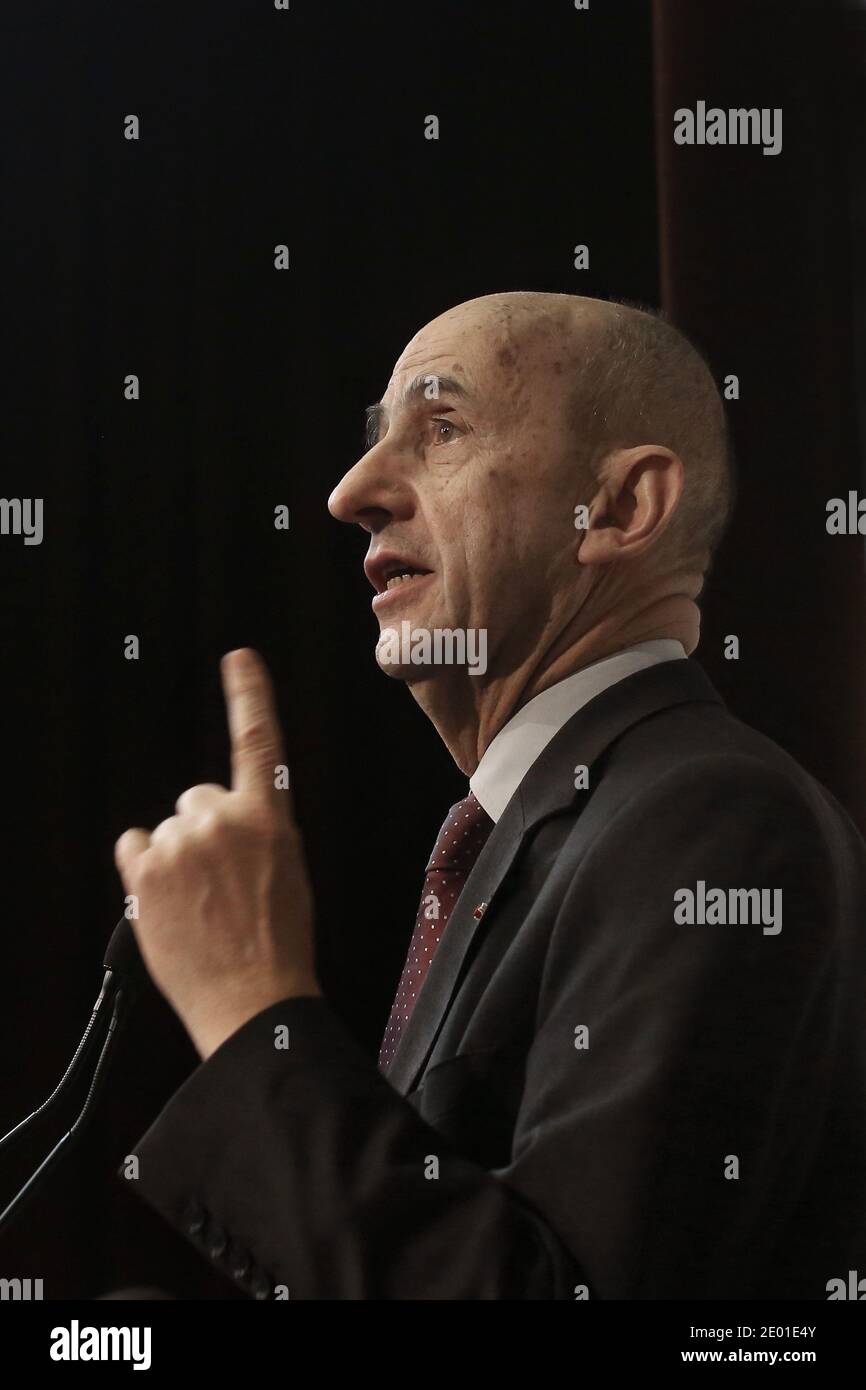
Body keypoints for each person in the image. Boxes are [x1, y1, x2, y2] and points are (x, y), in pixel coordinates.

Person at [114, 291, 866, 1299]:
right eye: (376, 439)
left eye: (443, 428)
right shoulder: (535, 831)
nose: (349, 492)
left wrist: (250, 1002)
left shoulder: (713, 821)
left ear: (616, 509)